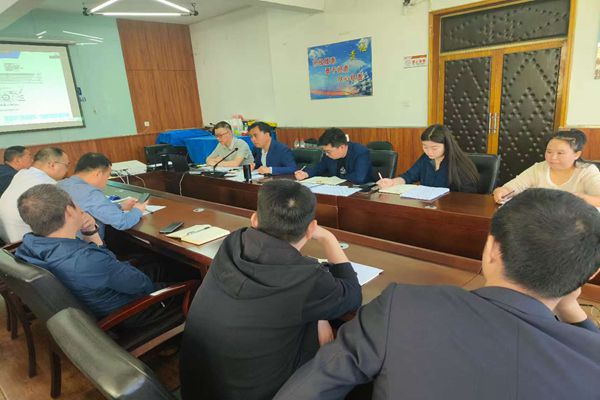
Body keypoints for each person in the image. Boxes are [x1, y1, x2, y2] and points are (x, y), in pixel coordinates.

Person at [275, 188, 600, 400]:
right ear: (588, 276)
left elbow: (306, 391)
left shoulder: (402, 306)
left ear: (490, 249)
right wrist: (572, 308)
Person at [180, 179, 362, 400]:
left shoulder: (233, 242)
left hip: (197, 389)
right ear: (311, 228)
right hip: (264, 394)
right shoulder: (307, 278)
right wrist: (328, 237)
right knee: (335, 341)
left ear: (254, 219)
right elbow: (353, 294)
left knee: (313, 316)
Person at [14, 184, 160, 319]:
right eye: (76, 204)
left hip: (88, 305)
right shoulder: (86, 260)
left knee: (155, 265)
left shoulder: (29, 245)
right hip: (129, 313)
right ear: (69, 211)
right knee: (165, 269)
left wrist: (90, 232)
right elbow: (142, 285)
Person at [493, 129, 600, 206]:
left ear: (576, 154)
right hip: (542, 221)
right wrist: (501, 191)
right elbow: (512, 187)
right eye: (549, 152)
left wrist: (579, 198)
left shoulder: (587, 171)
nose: (553, 157)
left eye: (560, 153)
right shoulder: (539, 168)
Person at [58, 153, 147, 240]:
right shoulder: (90, 193)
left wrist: (121, 206)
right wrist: (138, 209)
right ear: (98, 174)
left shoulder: (61, 184)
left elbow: (93, 208)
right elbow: (123, 222)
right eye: (107, 176)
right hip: (88, 246)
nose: (106, 181)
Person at [377, 124, 479, 192]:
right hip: (428, 206)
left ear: (447, 145)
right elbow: (408, 176)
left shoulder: (460, 164)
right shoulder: (425, 158)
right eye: (425, 147)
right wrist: (392, 182)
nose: (429, 152)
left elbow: (467, 196)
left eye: (434, 148)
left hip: (450, 209)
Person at [0, 147, 70, 243]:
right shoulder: (48, 185)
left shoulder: (21, 174)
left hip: (6, 241)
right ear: (52, 165)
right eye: (66, 165)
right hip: (25, 243)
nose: (66, 171)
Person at [294, 128, 372, 184]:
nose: (326, 154)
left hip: (360, 190)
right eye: (325, 151)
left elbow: (359, 177)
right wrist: (305, 174)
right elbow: (318, 168)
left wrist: (335, 180)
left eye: (328, 151)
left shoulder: (361, 152)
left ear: (341, 147)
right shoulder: (328, 155)